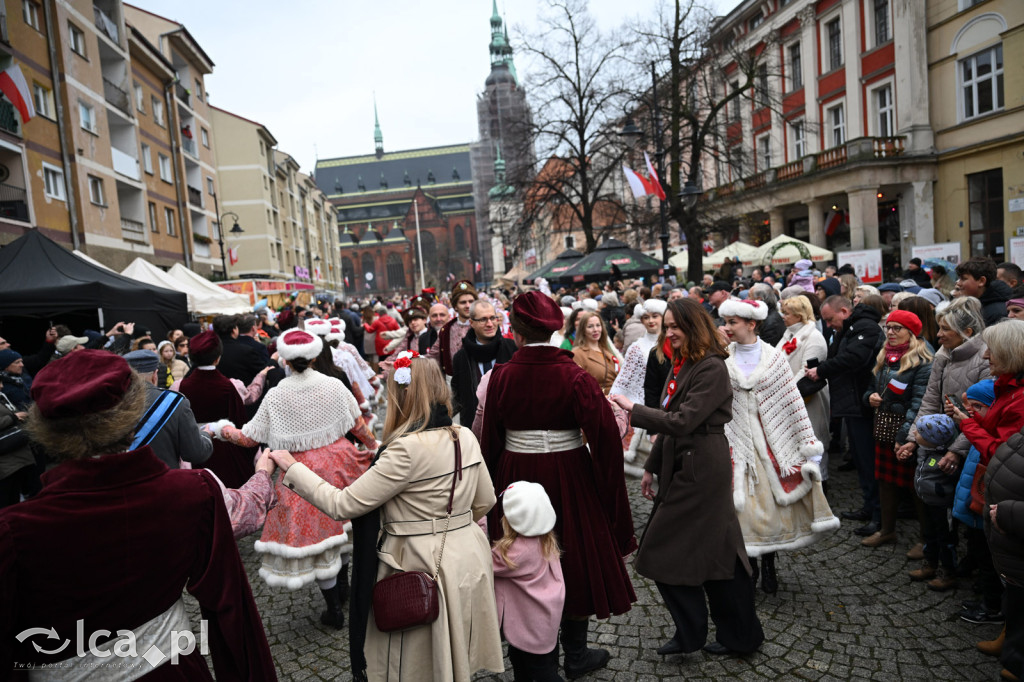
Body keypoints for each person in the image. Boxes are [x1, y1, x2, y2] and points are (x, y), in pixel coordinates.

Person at [0, 350, 276, 678]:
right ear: (133, 411)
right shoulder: (191, 492)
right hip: (174, 670)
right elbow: (240, 520)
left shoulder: (14, 530)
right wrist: (262, 473)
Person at [269, 355, 504, 682]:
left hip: (418, 558)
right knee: (453, 649)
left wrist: (291, 467)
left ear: (402, 395)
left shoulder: (405, 450)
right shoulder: (463, 436)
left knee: (413, 659)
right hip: (467, 553)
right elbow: (486, 500)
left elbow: (343, 504)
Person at [482, 291, 636, 678]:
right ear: (555, 330)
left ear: (514, 332)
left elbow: (488, 440)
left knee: (521, 554)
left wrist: (489, 493)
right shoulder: (576, 377)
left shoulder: (500, 376)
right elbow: (604, 440)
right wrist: (608, 497)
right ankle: (576, 653)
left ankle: (536, 656)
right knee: (575, 555)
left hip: (514, 474)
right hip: (570, 474)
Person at [610, 298, 764, 657]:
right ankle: (736, 636)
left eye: (675, 326)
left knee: (659, 550)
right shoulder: (684, 363)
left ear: (693, 326)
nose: (669, 332)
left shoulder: (710, 367)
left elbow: (682, 421)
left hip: (702, 469)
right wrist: (651, 466)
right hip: (687, 461)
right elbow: (673, 421)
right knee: (720, 554)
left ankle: (701, 632)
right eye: (666, 326)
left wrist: (634, 410)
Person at [214, 328, 375, 630]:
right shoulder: (333, 385)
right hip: (340, 462)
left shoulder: (276, 394)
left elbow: (248, 438)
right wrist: (374, 448)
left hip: (297, 471)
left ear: (283, 360)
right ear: (315, 356)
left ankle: (333, 607)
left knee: (320, 539)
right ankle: (343, 589)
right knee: (342, 528)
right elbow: (359, 426)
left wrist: (222, 429)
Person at [718, 299, 838, 592]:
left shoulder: (774, 358)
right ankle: (750, 567)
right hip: (734, 442)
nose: (727, 328)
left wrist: (805, 442)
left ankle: (769, 563)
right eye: (727, 322)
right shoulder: (720, 358)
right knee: (742, 511)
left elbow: (791, 403)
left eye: (733, 322)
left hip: (771, 445)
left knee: (770, 509)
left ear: (751, 324)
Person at [951, 321, 1024, 625]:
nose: (985, 357)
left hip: (1007, 488)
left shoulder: (1018, 397)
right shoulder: (1005, 386)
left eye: (991, 350)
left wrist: (967, 425)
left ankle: (999, 618)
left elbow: (1002, 452)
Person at [806, 296, 884, 535]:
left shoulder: (866, 327)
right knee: (861, 459)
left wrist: (821, 370)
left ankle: (879, 515)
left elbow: (853, 358)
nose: (828, 325)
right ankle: (869, 507)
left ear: (844, 311)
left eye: (830, 319)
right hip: (852, 402)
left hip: (863, 402)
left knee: (870, 461)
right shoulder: (850, 328)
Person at [862, 310, 933, 549]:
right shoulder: (884, 356)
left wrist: (905, 436)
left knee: (915, 486)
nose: (890, 332)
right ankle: (887, 530)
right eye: (888, 327)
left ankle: (926, 540)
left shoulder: (922, 362)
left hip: (907, 432)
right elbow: (871, 387)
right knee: (885, 481)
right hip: (883, 428)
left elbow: (920, 402)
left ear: (911, 333)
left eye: (897, 328)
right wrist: (868, 397)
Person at [491, 480, 565, 682]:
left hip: (529, 625)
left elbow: (485, 562)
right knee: (534, 662)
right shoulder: (545, 538)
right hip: (543, 620)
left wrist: (479, 523)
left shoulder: (516, 552)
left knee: (540, 672)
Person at [123, 349, 213, 471]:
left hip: (120, 484)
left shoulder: (108, 403)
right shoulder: (175, 402)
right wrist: (206, 434)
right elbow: (195, 453)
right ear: (155, 375)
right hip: (162, 483)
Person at [777, 295, 831, 485]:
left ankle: (820, 482)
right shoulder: (789, 335)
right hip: (790, 397)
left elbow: (807, 370)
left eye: (787, 313)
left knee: (813, 439)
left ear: (799, 316)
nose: (783, 316)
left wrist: (784, 390)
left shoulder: (814, 337)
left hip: (809, 398)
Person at [610, 298, 667, 461]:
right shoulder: (636, 347)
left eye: (655, 316)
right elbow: (625, 379)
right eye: (646, 317)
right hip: (641, 408)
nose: (650, 321)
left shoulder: (673, 342)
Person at [451, 300, 517, 424]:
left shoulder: (512, 350)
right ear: (471, 323)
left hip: (508, 426)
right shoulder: (461, 357)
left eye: (493, 318)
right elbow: (456, 397)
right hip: (474, 429)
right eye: (483, 320)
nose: (490, 324)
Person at [428, 280, 478, 375]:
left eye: (471, 301)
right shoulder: (446, 329)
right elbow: (432, 355)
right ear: (455, 306)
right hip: (452, 383)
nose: (468, 306)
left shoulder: (482, 325)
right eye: (463, 302)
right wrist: (410, 362)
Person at [572, 310, 620, 395]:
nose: (595, 330)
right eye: (590, 326)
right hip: (596, 402)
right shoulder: (577, 354)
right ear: (583, 330)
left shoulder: (607, 351)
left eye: (598, 325)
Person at [957, 256, 1012, 327]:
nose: (958, 283)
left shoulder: (997, 313)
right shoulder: (976, 305)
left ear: (981, 281)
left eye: (964, 279)